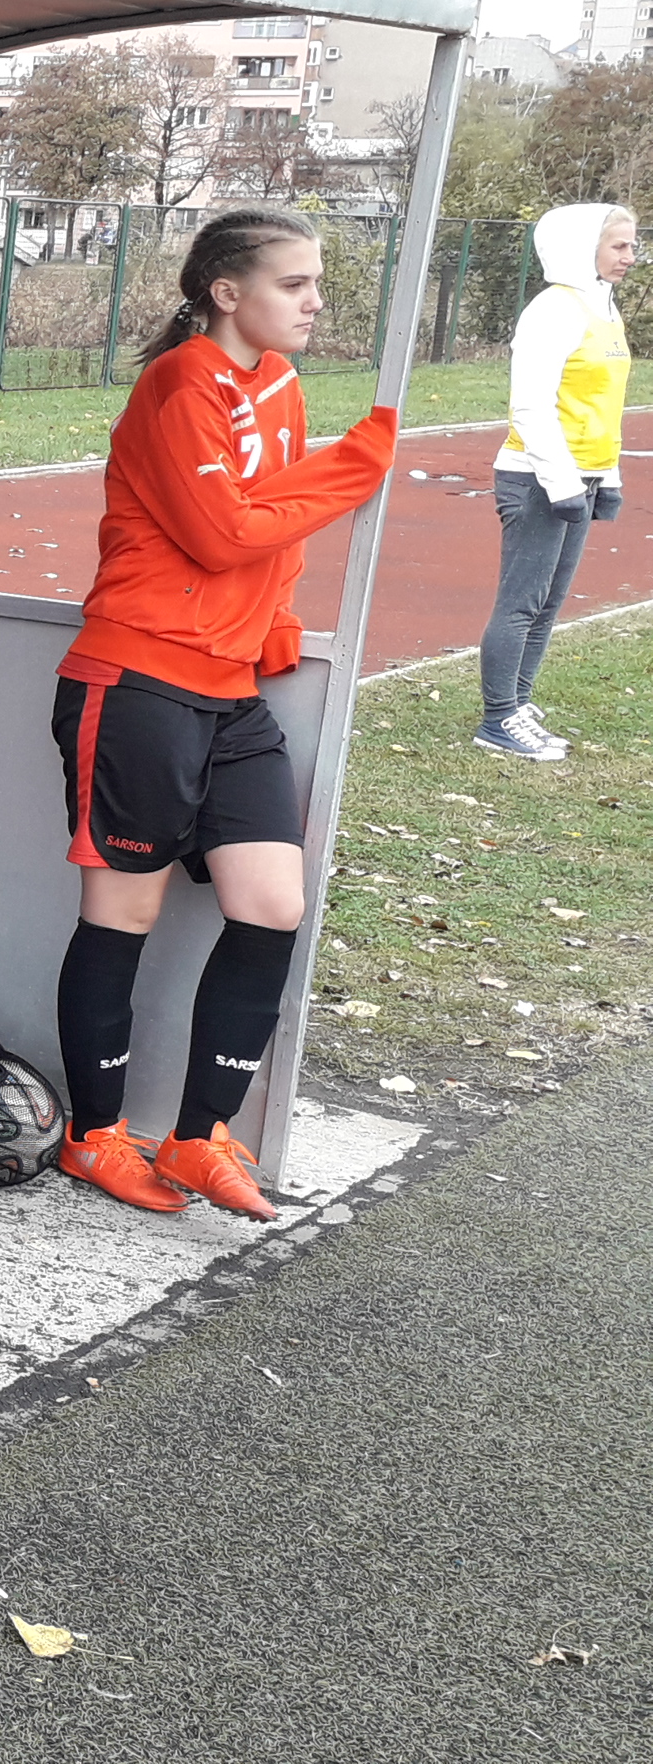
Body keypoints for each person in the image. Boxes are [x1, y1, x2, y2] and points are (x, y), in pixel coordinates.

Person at [49, 209, 398, 1221]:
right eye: (296, 284)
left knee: (272, 905)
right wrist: (355, 466)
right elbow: (223, 531)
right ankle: (93, 1136)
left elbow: (275, 521)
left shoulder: (279, 383)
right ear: (226, 293)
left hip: (231, 692)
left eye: (317, 282)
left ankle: (199, 1136)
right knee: (125, 915)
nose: (315, 302)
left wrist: (276, 619)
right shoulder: (179, 384)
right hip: (138, 681)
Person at [475, 203, 634, 761]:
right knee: (521, 602)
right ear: (583, 247)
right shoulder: (553, 310)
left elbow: (602, 406)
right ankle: (497, 719)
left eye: (633, 245)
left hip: (581, 476)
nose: (630, 256)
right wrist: (562, 482)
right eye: (619, 245)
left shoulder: (604, 308)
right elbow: (531, 406)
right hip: (538, 478)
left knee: (548, 603)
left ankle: (518, 701)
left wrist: (606, 478)